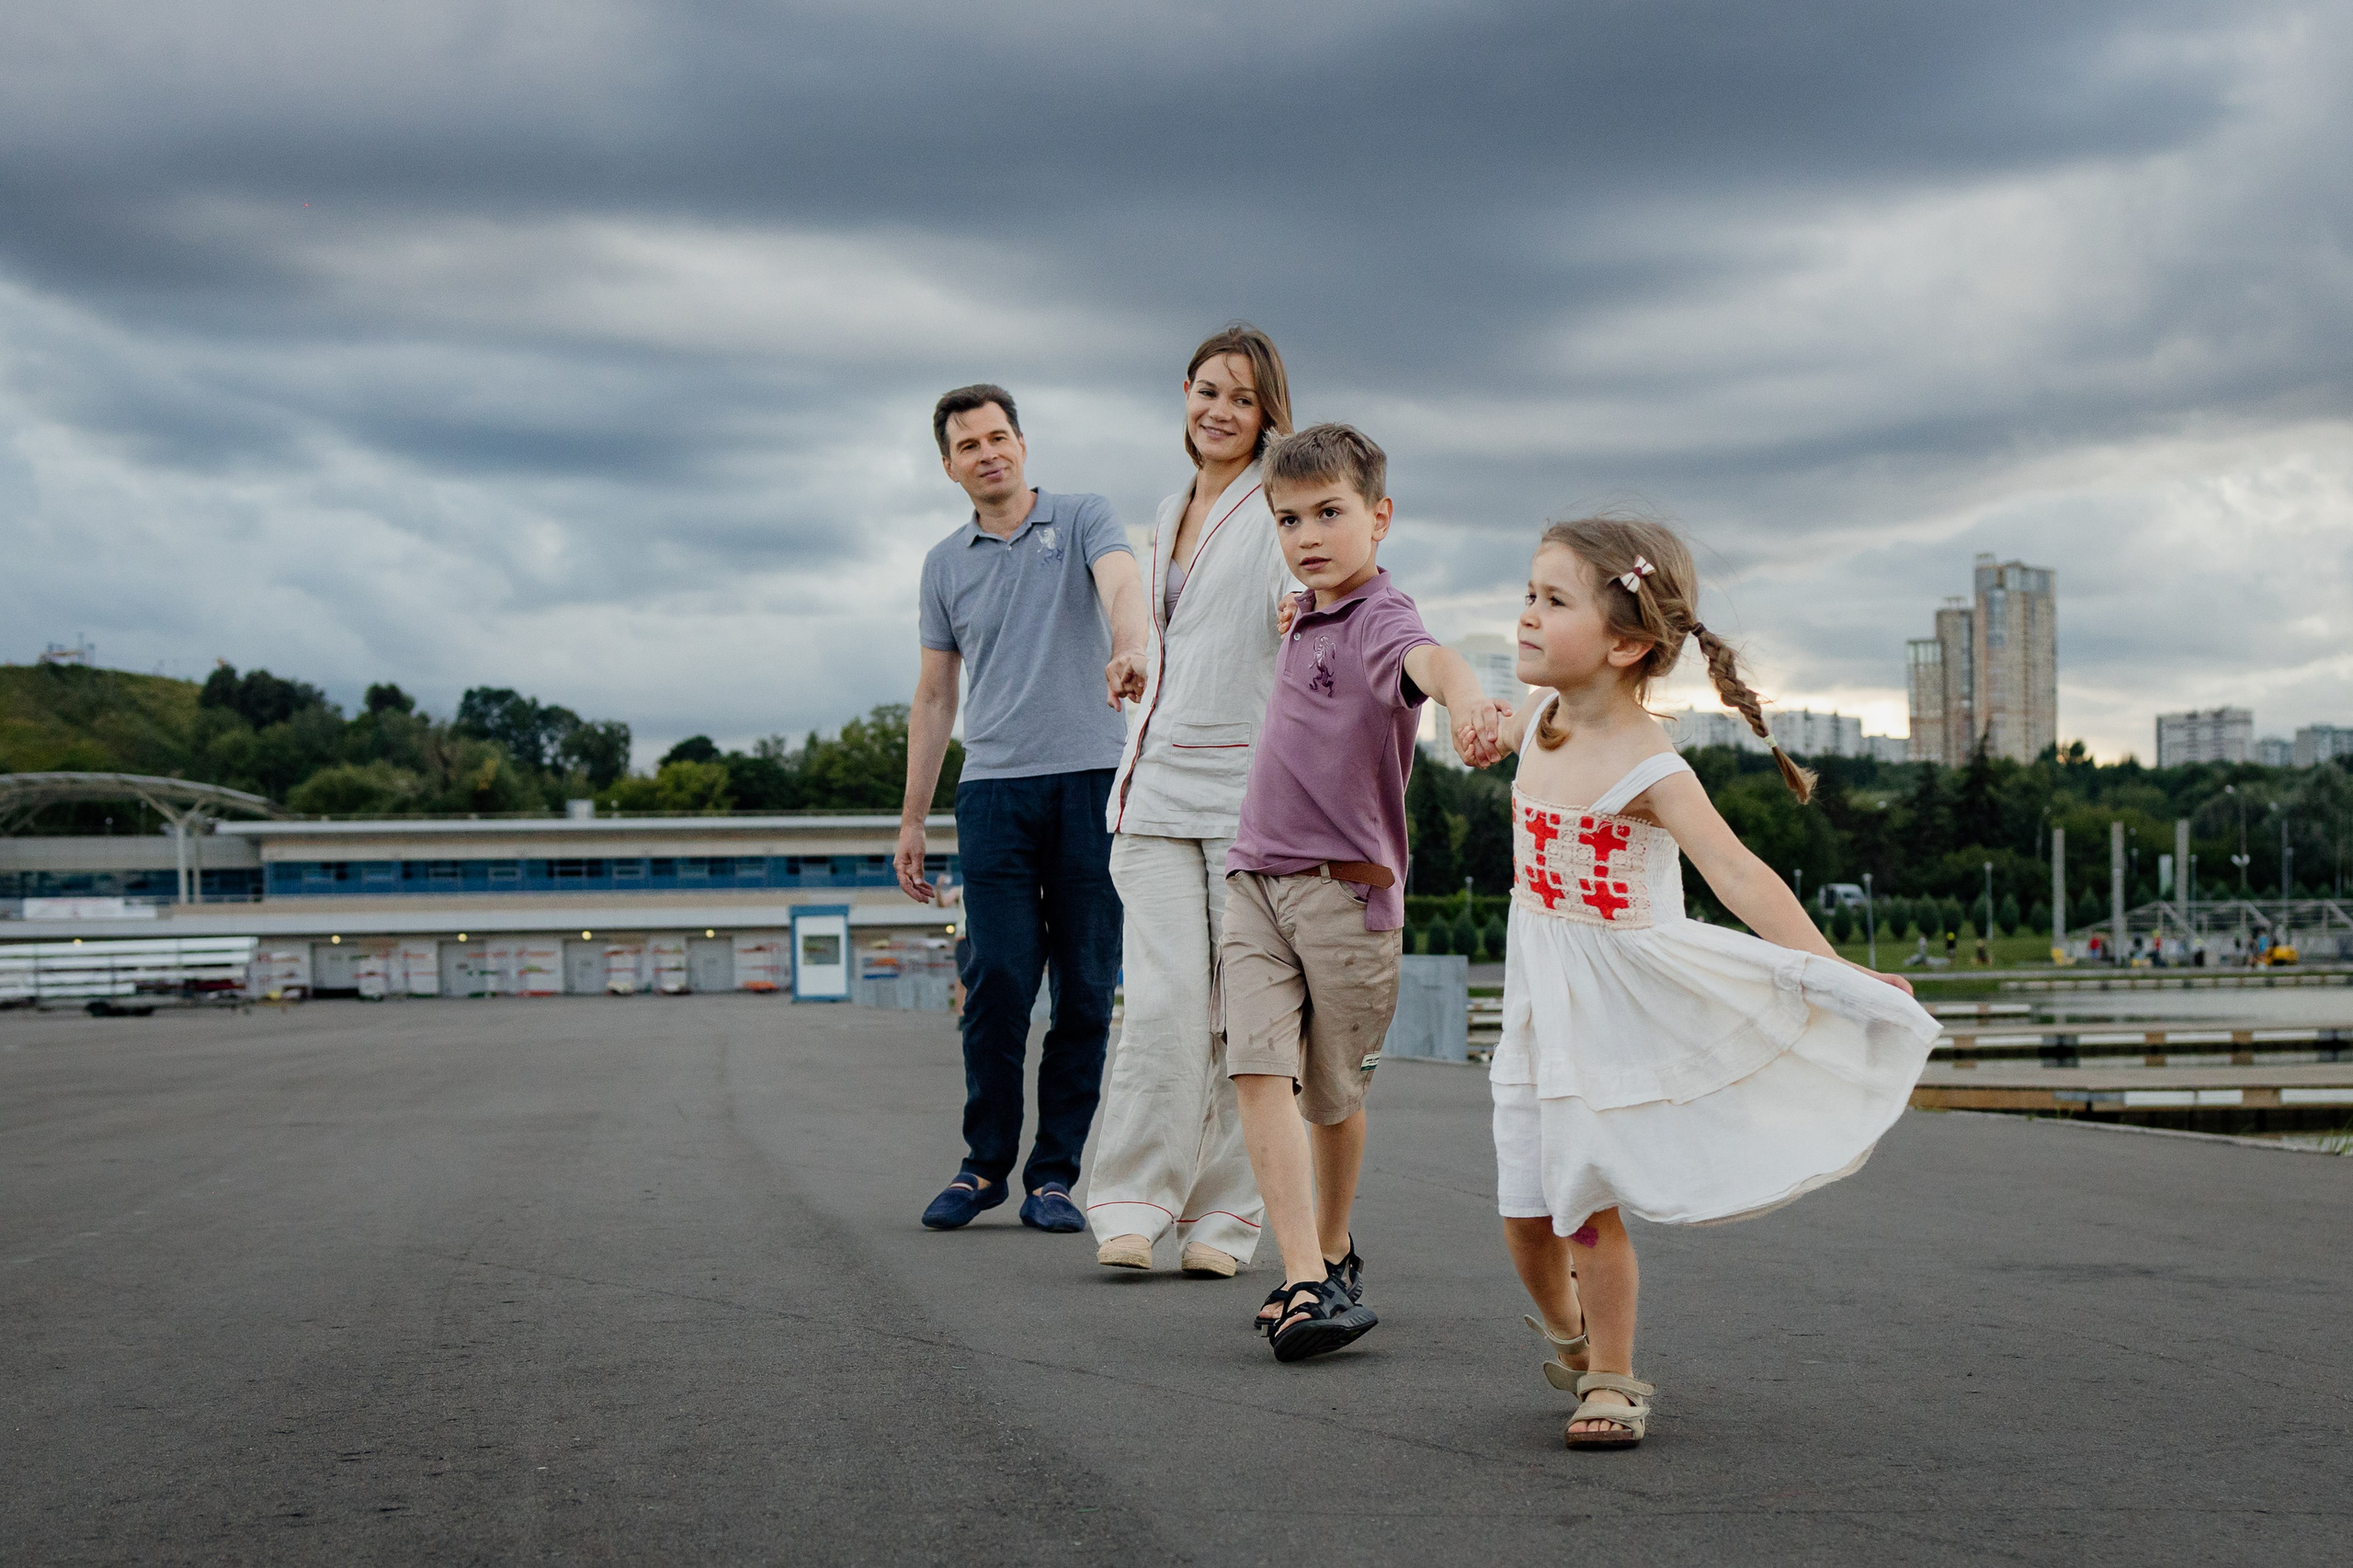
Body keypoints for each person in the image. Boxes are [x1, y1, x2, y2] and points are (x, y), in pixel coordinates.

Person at [1490, 517, 1938, 1449]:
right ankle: (1572, 1337)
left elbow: (1739, 876)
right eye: (1528, 593)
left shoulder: (1652, 765)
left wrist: (1836, 972)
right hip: (1537, 999)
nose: (1526, 615)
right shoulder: (1539, 716)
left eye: (1552, 600)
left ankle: (1611, 1372)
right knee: (1525, 1217)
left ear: (1625, 643)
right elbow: (1456, 689)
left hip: (1621, 998)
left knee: (1582, 1200)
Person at [1219, 424, 1508, 1362]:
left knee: (1331, 1097)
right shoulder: (1304, 608)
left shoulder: (1385, 617)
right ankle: (1304, 1272)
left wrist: (1466, 704)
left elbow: (1434, 659)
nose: (1307, 533)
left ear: (1379, 518)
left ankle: (1332, 1250)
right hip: (1255, 876)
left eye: (1330, 512)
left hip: (1343, 897)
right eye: (1288, 517)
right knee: (1255, 1063)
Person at [896, 383, 1149, 1233]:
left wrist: (1130, 640)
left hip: (1090, 782)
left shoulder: (1081, 518)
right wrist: (911, 820)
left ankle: (1053, 1177)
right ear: (950, 466)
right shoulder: (943, 563)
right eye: (969, 445)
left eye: (999, 437)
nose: (988, 453)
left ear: (1022, 444)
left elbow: (1121, 583)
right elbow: (935, 698)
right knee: (998, 978)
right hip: (994, 792)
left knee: (1084, 987)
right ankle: (983, 1167)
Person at [1087, 324, 1296, 1281]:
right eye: (1208, 390)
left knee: (1237, 1016)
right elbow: (1185, 633)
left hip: (1245, 798)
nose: (1219, 409)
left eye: (1242, 399)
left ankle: (1225, 1217)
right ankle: (1131, 1200)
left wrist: (1305, 604)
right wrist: (1140, 658)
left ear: (1266, 417)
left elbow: (1301, 589)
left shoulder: (1278, 505)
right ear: (1183, 392)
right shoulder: (1168, 504)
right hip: (1152, 788)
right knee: (1166, 1001)